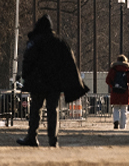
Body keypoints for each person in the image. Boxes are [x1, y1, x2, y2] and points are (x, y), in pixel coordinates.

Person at [17, 14, 86, 148]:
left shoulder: (35, 41)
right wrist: (71, 82)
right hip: (54, 83)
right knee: (53, 110)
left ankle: (32, 136)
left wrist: (25, 76)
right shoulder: (59, 41)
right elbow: (69, 62)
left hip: (37, 82)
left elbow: (27, 60)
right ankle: (53, 139)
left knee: (36, 110)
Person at [105, 54, 129, 129]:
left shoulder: (113, 70)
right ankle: (123, 126)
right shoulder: (127, 71)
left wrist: (113, 86)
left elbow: (107, 80)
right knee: (123, 110)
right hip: (124, 92)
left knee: (115, 108)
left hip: (115, 91)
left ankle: (116, 120)